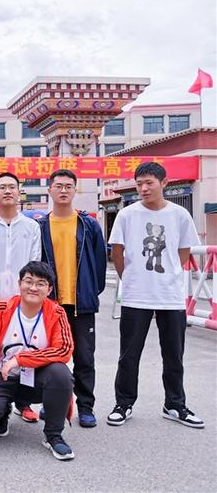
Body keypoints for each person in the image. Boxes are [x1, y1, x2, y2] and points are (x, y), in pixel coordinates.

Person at [107, 161, 204, 429]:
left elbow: (184, 251)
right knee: (129, 354)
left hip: (170, 296)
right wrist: (131, 279)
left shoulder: (179, 215)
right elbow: (118, 252)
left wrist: (169, 275)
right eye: (139, 184)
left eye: (149, 182)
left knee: (174, 354)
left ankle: (175, 404)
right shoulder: (127, 215)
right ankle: (123, 403)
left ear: (164, 183)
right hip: (136, 295)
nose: (143, 188)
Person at [0, 261, 76, 461]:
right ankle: (2, 412)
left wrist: (20, 359)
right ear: (19, 284)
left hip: (35, 377)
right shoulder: (1, 309)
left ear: (49, 289)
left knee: (61, 375)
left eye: (41, 283)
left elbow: (64, 349)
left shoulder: (56, 313)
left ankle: (53, 435)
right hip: (1, 374)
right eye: (29, 281)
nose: (33, 287)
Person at [38, 169, 106, 428]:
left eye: (68, 186)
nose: (63, 190)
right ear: (50, 190)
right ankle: (51, 404)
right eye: (58, 186)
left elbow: (99, 263)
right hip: (50, 304)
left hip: (81, 304)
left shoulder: (88, 225)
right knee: (50, 357)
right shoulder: (41, 226)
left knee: (85, 357)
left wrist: (90, 292)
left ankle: (85, 406)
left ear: (75, 190)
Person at [0, 171, 41, 422]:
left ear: (19, 192)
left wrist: (24, 298)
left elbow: (35, 263)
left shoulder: (32, 227)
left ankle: (23, 402)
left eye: (12, 187)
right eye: (2, 187)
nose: (7, 191)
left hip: (23, 305)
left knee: (24, 350)